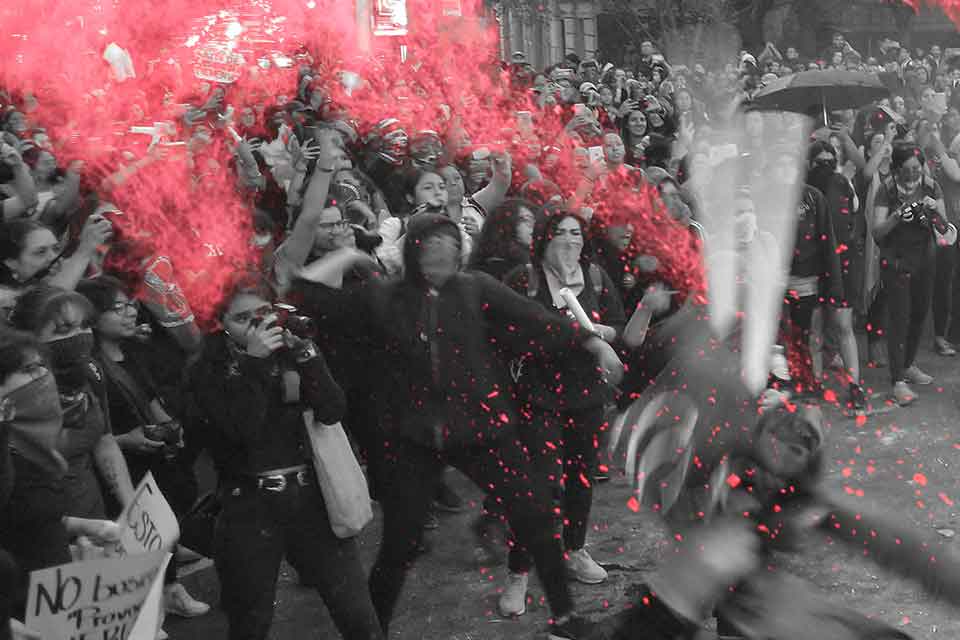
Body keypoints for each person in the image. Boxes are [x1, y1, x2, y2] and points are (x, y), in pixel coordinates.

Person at [362, 213, 623, 640]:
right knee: (400, 543)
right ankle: (370, 631)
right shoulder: (386, 297)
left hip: (480, 430)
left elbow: (538, 321)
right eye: (432, 247)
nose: (442, 255)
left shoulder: (474, 288)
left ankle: (565, 620)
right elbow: (318, 304)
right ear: (413, 252)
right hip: (414, 441)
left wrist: (591, 342)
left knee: (537, 516)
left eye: (450, 245)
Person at [185, 273, 384, 640]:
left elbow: (332, 410)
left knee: (358, 614)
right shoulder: (206, 372)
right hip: (250, 507)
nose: (258, 325)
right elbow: (239, 429)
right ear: (220, 325)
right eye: (243, 319)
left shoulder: (290, 355)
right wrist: (254, 364)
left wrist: (308, 355)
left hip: (310, 501)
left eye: (264, 312)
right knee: (251, 620)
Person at [497, 208, 626, 617]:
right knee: (539, 487)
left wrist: (604, 333)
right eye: (561, 233)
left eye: (577, 233)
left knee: (580, 477)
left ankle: (575, 549)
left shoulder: (596, 278)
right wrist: (578, 337)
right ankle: (518, 572)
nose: (571, 240)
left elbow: (618, 326)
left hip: (585, 396)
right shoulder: (524, 280)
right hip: (537, 397)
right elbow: (511, 332)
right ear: (543, 240)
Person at [76, 276, 209, 620]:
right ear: (93, 316)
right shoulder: (87, 367)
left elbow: (150, 398)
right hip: (118, 466)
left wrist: (169, 427)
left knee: (159, 525)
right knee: (128, 539)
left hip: (152, 458)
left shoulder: (133, 350)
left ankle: (170, 590)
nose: (129, 314)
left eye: (131, 305)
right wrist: (126, 440)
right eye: (117, 308)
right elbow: (93, 434)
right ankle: (141, 610)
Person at [872, 144, 954, 405]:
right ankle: (897, 381)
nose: (912, 174)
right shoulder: (887, 189)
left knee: (919, 313)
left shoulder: (930, 185)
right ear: (897, 168)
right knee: (900, 318)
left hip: (925, 260)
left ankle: (908, 364)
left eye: (916, 169)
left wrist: (933, 211)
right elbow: (877, 231)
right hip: (896, 262)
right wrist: (897, 217)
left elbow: (945, 227)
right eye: (906, 170)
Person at [805, 141, 866, 411]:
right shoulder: (803, 190)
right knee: (815, 329)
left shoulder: (843, 183)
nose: (826, 166)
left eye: (831, 161)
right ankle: (815, 384)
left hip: (840, 263)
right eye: (821, 162)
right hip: (812, 266)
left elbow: (854, 214)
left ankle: (855, 386)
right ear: (809, 164)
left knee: (843, 326)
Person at [468, 198, 537, 281]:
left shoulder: (532, 262)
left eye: (534, 220)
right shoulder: (491, 269)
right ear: (506, 225)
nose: (532, 225)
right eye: (525, 220)